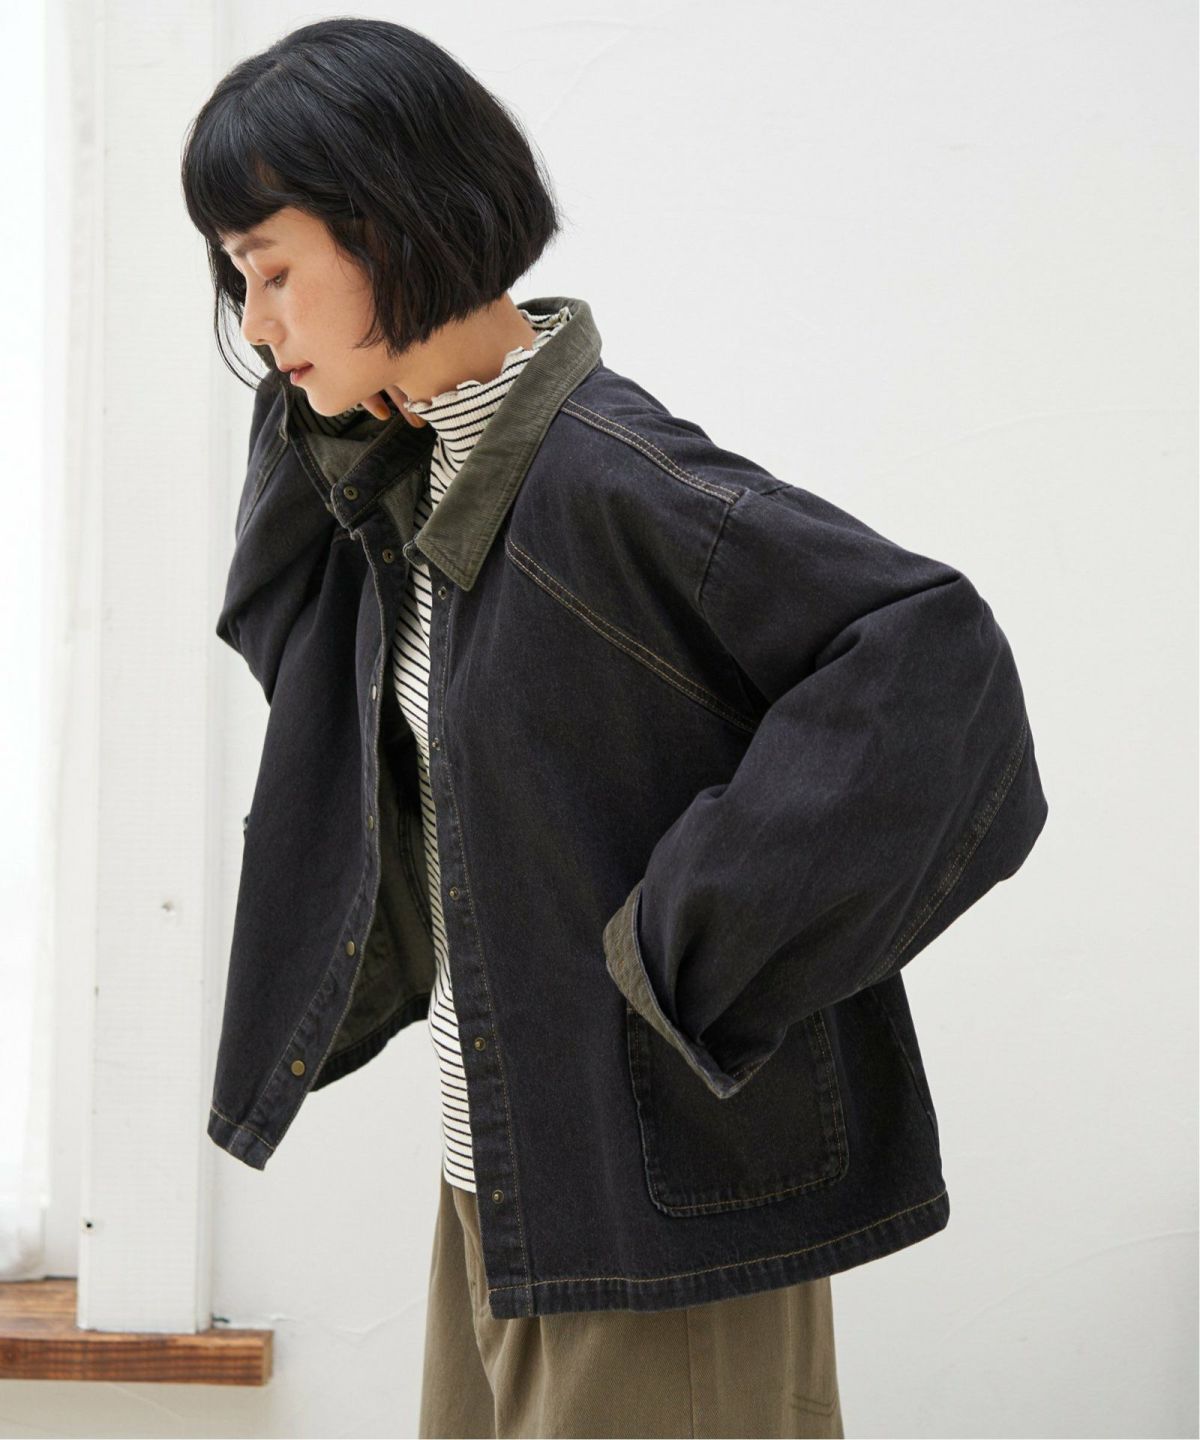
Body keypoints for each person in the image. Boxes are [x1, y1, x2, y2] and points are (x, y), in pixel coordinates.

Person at [182, 18, 1048, 1440]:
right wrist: (344, 416)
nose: (258, 325)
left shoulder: (603, 481)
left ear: (389, 225)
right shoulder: (414, 482)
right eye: (237, 282)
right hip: (508, 1182)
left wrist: (686, 945)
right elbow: (278, 627)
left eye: (272, 271)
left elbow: (929, 656)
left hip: (655, 1211)